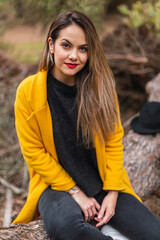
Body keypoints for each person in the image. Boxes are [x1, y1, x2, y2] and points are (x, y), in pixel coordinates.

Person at [12, 11, 160, 240]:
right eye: (66, 45)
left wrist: (112, 192)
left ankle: (108, 227)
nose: (74, 56)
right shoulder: (28, 92)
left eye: (83, 49)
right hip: (55, 187)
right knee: (66, 227)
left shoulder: (102, 89)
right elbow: (34, 152)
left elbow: (113, 141)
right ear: (51, 45)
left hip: (101, 182)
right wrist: (76, 192)